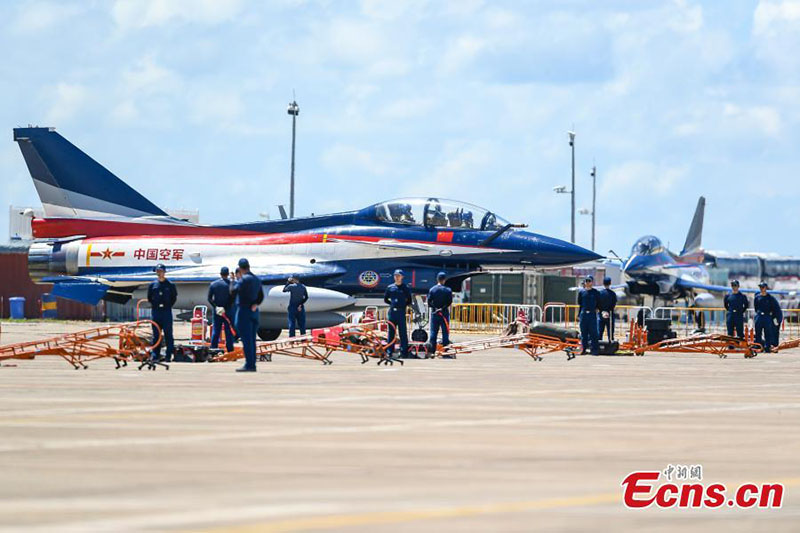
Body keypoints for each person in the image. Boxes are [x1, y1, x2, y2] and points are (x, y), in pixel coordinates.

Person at [232, 258, 264, 372]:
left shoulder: (243, 280)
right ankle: (252, 363)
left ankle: (249, 365)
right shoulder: (256, 279)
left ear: (240, 268)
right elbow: (261, 296)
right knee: (252, 339)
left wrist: (232, 282)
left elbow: (234, 291)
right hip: (254, 311)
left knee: (246, 339)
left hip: (244, 310)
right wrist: (256, 304)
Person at [147, 263, 177, 362]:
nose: (160, 273)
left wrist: (167, 306)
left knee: (168, 334)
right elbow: (149, 298)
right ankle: (155, 355)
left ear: (164, 272)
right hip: (156, 312)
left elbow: (174, 298)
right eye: (158, 271)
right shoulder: (152, 285)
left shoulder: (170, 285)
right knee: (156, 335)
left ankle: (168, 355)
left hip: (166, 312)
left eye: (161, 271)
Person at [384, 269, 412, 359]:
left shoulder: (405, 288)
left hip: (401, 312)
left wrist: (402, 306)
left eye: (399, 275)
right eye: (395, 275)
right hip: (392, 313)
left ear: (402, 277)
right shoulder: (390, 287)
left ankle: (404, 352)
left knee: (402, 333)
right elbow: (386, 299)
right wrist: (392, 304)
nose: (397, 277)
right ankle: (389, 352)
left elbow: (409, 300)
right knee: (391, 333)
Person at [207, 266, 235, 352]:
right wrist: (226, 308)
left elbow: (209, 298)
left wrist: (216, 307)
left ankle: (213, 348)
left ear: (220, 274)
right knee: (228, 331)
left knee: (216, 330)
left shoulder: (213, 284)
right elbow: (232, 298)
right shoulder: (230, 284)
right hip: (228, 311)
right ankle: (230, 349)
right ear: (227, 274)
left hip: (217, 311)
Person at [426, 272, 453, 353]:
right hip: (444, 313)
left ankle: (432, 351)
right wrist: (441, 308)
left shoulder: (432, 289)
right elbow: (449, 302)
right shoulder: (448, 290)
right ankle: (445, 351)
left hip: (435, 314)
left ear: (437, 279)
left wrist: (436, 308)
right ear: (444, 280)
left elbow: (429, 302)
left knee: (433, 333)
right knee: (445, 333)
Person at [754, 281, 782, 353]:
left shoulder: (770, 298)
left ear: (766, 288)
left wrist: (775, 318)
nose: (761, 289)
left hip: (767, 316)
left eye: (763, 287)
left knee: (767, 332)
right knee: (758, 332)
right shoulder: (757, 297)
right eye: (760, 287)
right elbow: (756, 307)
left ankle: (767, 347)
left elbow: (774, 308)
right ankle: (758, 346)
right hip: (759, 316)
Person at [577, 275, 600, 355]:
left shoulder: (595, 292)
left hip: (592, 314)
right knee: (584, 333)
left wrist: (597, 310)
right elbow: (580, 303)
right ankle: (583, 349)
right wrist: (579, 315)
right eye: (586, 280)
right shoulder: (581, 292)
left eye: (589, 281)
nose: (587, 282)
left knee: (593, 332)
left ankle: (594, 350)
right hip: (584, 314)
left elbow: (598, 303)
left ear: (592, 282)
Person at [597, 276, 618, 341]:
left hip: (601, 313)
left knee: (600, 332)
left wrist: (601, 310)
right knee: (610, 332)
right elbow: (614, 304)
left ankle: (599, 346)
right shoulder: (613, 294)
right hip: (610, 313)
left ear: (603, 283)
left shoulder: (599, 293)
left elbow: (597, 303)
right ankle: (610, 346)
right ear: (610, 283)